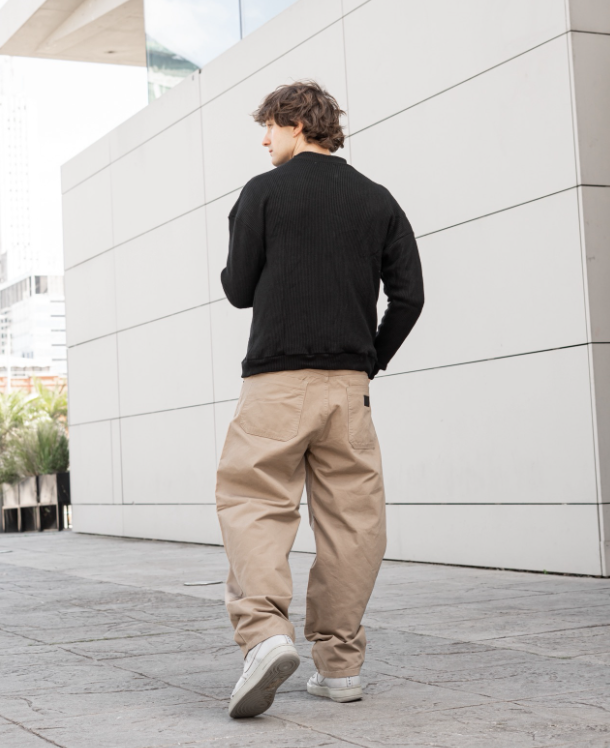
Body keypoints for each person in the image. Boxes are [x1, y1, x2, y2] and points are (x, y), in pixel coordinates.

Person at [215, 79, 424, 719]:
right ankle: (341, 667)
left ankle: (265, 638)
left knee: (255, 504)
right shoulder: (378, 199)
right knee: (353, 522)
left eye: (269, 127)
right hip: (349, 390)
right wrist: (370, 360)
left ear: (296, 124)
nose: (264, 140)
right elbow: (410, 297)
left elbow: (238, 289)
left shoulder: (263, 192)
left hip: (276, 384)